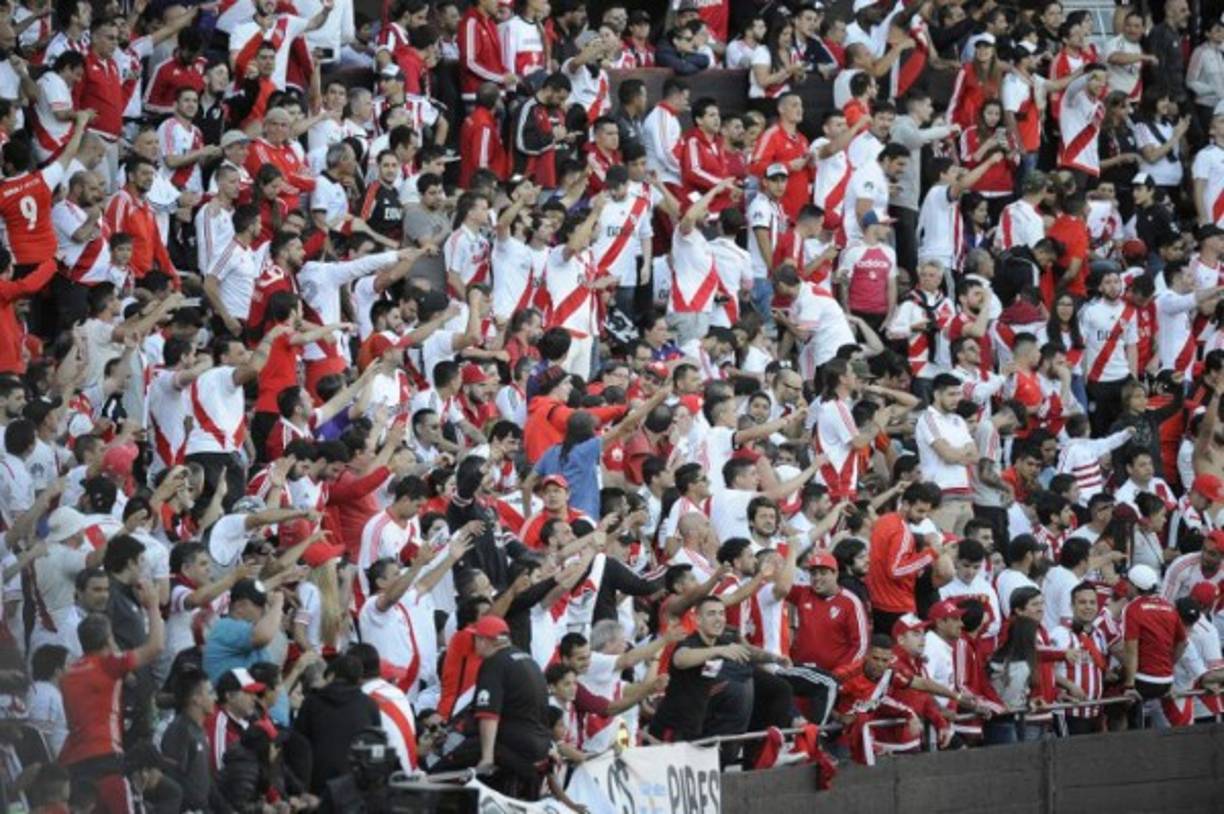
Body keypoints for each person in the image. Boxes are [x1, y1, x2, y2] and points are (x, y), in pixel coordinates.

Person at [60, 588, 165, 812]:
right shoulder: (108, 664)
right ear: (108, 640)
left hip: (73, 761)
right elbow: (155, 646)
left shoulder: (68, 673)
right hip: (105, 757)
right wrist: (154, 605)